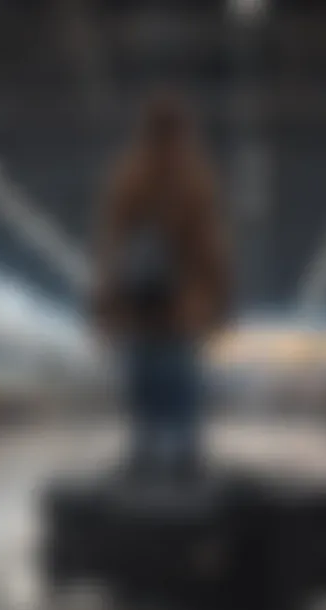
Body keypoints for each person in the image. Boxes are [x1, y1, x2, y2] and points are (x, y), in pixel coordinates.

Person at [93, 91, 230, 479]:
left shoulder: (132, 176)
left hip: (156, 308)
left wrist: (105, 304)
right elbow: (211, 246)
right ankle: (174, 456)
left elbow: (112, 246)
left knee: (157, 385)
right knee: (167, 385)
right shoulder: (191, 178)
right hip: (165, 309)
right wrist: (217, 297)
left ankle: (157, 455)